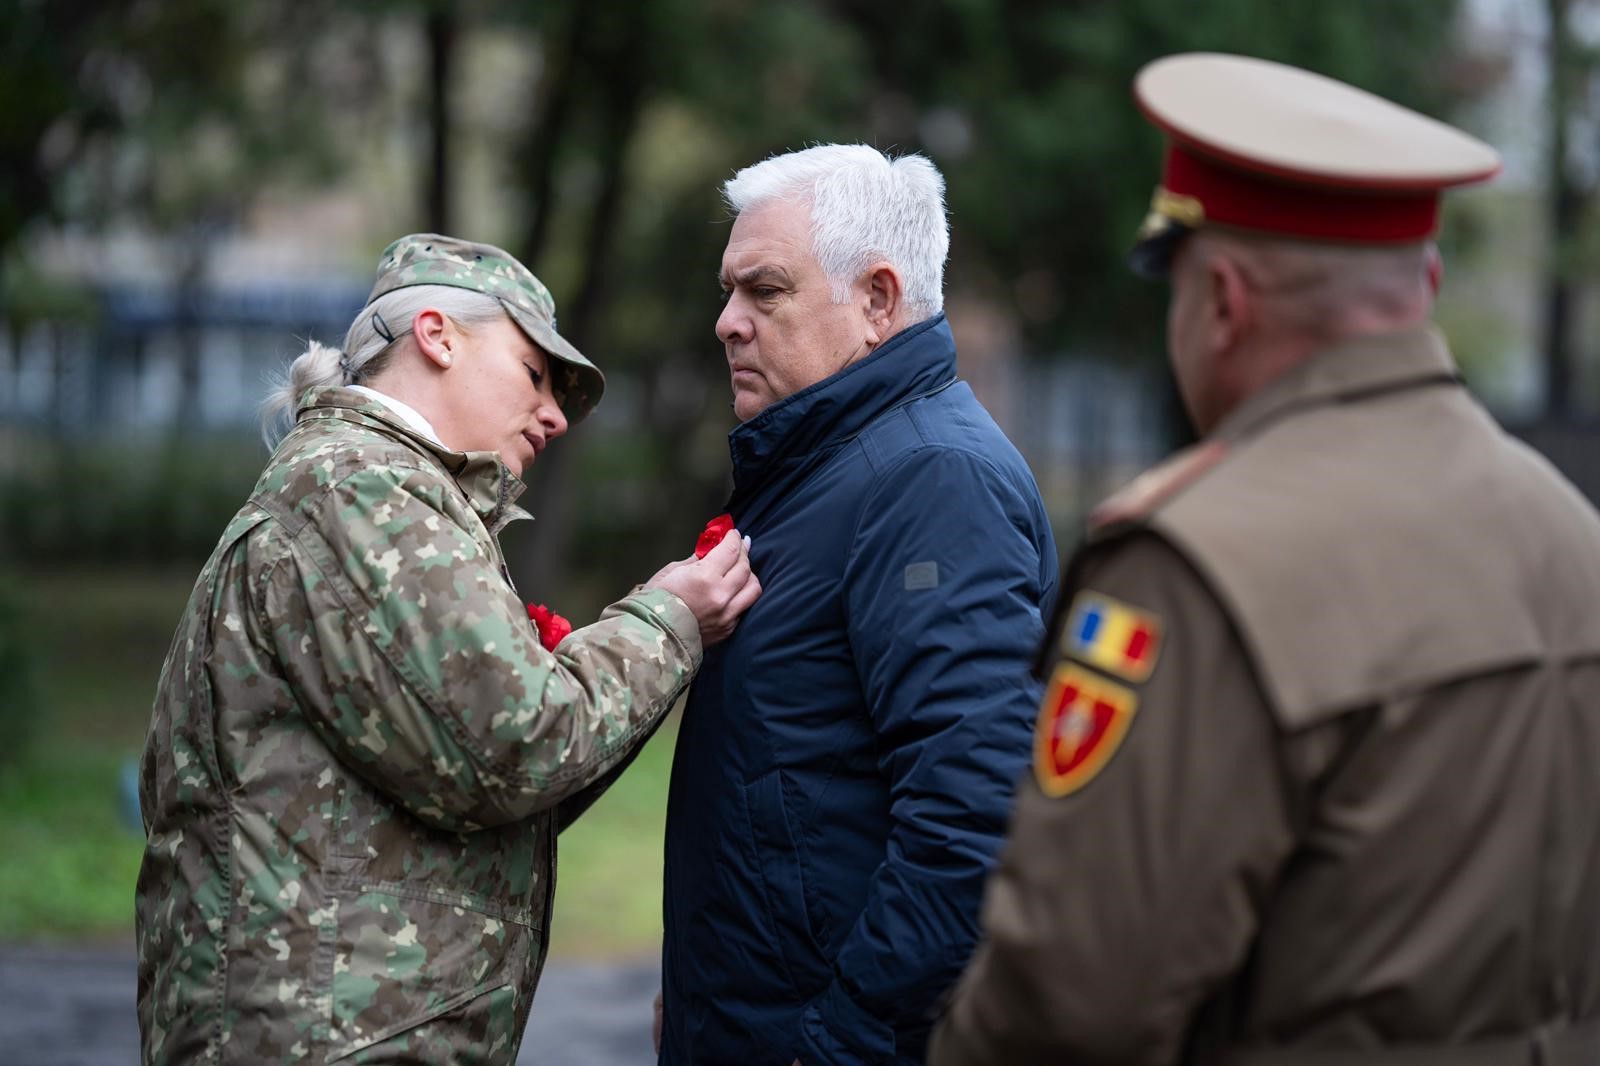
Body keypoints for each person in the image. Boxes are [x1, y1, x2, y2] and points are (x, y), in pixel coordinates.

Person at [930, 52, 1600, 1065]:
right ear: (1424, 282)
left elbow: (1068, 1010)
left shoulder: (1193, 564)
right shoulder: (1571, 536)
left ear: (1224, 302)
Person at [135, 233, 761, 1064]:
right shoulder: (361, 486)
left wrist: (644, 647)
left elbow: (495, 788)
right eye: (536, 375)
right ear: (437, 335)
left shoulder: (366, 488)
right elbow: (515, 744)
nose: (556, 416)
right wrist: (669, 620)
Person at [655, 144, 1059, 1066]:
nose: (727, 323)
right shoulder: (823, 471)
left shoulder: (929, 480)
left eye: (765, 291)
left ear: (878, 301)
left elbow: (975, 820)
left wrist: (829, 1046)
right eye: (728, 292)